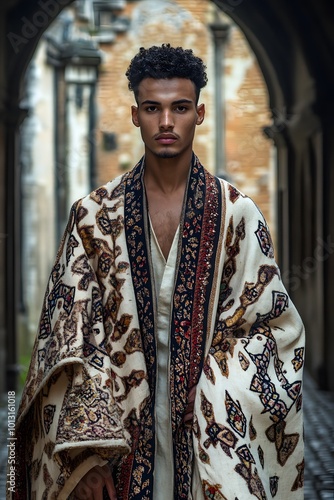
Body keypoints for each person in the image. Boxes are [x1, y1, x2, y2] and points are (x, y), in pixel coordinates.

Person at [11, 44, 305, 500]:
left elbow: (272, 331)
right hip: (118, 449)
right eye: (153, 108)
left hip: (210, 447)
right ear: (135, 115)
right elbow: (68, 339)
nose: (166, 122)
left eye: (179, 108)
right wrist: (88, 455)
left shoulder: (237, 216)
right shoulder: (93, 217)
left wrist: (214, 396)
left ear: (200, 113)